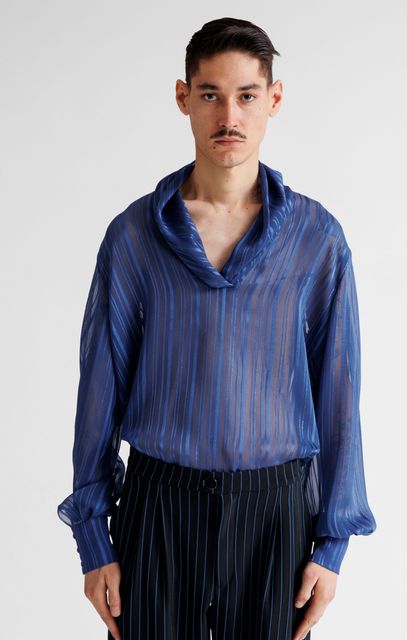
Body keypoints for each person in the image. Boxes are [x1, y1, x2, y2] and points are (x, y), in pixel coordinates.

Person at [57, 16, 377, 640]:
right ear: (184, 98)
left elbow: (339, 395)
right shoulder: (134, 237)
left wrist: (332, 544)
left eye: (246, 95)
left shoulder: (315, 239)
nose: (229, 115)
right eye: (210, 94)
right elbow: (98, 391)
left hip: (275, 515)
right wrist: (94, 540)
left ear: (273, 100)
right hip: (157, 507)